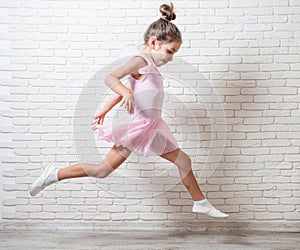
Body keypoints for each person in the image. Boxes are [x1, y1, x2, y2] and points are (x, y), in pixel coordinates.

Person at [30, 3, 228, 218]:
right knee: (102, 170)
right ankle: (54, 173)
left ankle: (200, 202)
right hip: (139, 128)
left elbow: (131, 88)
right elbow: (111, 78)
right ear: (154, 42)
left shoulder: (147, 64)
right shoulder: (140, 60)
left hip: (153, 126)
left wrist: (106, 108)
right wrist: (126, 94)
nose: (170, 58)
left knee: (183, 161)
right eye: (169, 51)